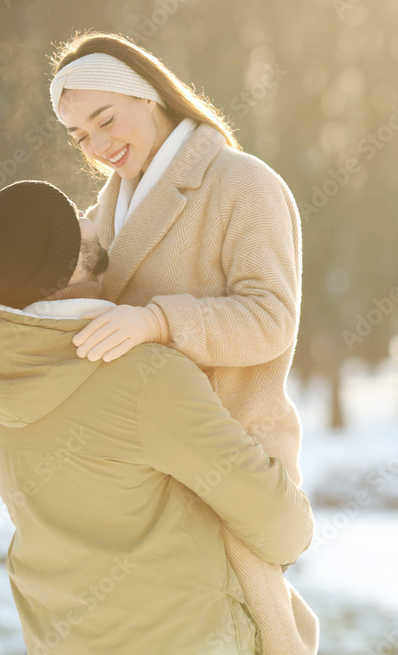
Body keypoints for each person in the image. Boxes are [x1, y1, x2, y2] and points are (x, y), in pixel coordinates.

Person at [0, 180, 313, 654]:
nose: (88, 216)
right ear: (67, 262)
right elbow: (282, 527)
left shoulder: (2, 377)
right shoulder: (144, 377)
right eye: (73, 219)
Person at [47, 32, 317, 653]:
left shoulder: (243, 185)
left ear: (148, 96)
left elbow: (271, 318)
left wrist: (159, 320)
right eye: (80, 135)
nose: (98, 144)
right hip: (137, 483)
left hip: (226, 464)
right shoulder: (107, 212)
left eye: (105, 119)